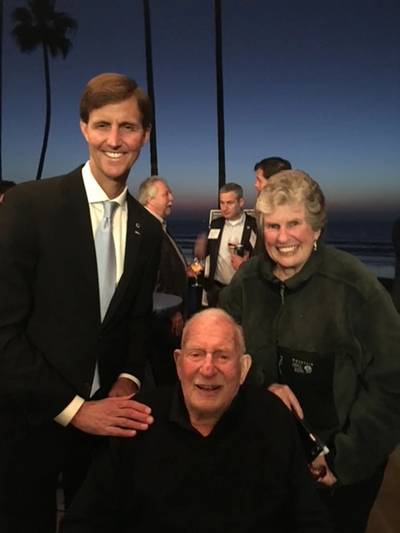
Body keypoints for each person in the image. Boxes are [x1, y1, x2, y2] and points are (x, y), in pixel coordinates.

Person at [0, 73, 162, 532]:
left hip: (105, 431)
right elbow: (3, 332)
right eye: (103, 125)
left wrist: (128, 380)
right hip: (27, 422)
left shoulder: (147, 231)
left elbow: (135, 320)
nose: (115, 140)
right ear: (84, 129)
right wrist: (75, 410)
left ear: (144, 135)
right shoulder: (28, 206)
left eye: (128, 127)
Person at [220, 169, 400, 533]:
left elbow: (392, 383)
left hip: (338, 470)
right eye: (272, 226)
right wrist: (262, 384)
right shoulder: (248, 280)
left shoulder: (353, 285)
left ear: (316, 229)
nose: (282, 238)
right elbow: (220, 351)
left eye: (294, 224)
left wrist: (344, 461)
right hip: (264, 458)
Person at [63, 308, 331, 533]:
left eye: (223, 356)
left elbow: (310, 519)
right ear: (178, 364)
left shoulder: (273, 418)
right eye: (196, 354)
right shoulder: (137, 419)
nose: (207, 368)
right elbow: (83, 522)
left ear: (244, 369)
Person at [138, 176, 191, 384]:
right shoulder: (147, 229)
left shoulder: (157, 226)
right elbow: (150, 277)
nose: (172, 198)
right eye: (166, 194)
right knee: (164, 369)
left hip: (166, 313)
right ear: (150, 199)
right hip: (161, 317)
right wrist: (172, 311)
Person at [197, 182, 257, 306]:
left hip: (243, 291)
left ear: (241, 202)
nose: (224, 208)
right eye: (222, 203)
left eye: (229, 203)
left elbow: (261, 259)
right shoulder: (215, 224)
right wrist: (200, 250)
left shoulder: (254, 226)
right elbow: (207, 253)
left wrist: (246, 264)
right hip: (216, 290)